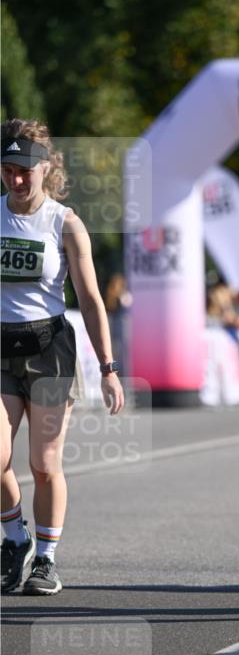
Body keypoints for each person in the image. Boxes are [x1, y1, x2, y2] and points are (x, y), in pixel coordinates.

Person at [1, 119, 124, 596]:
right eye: (8, 169)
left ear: (45, 169)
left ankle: (46, 560)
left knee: (44, 463)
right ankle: (15, 537)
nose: (16, 179)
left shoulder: (65, 222)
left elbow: (91, 300)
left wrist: (109, 368)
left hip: (49, 349)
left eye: (25, 170)